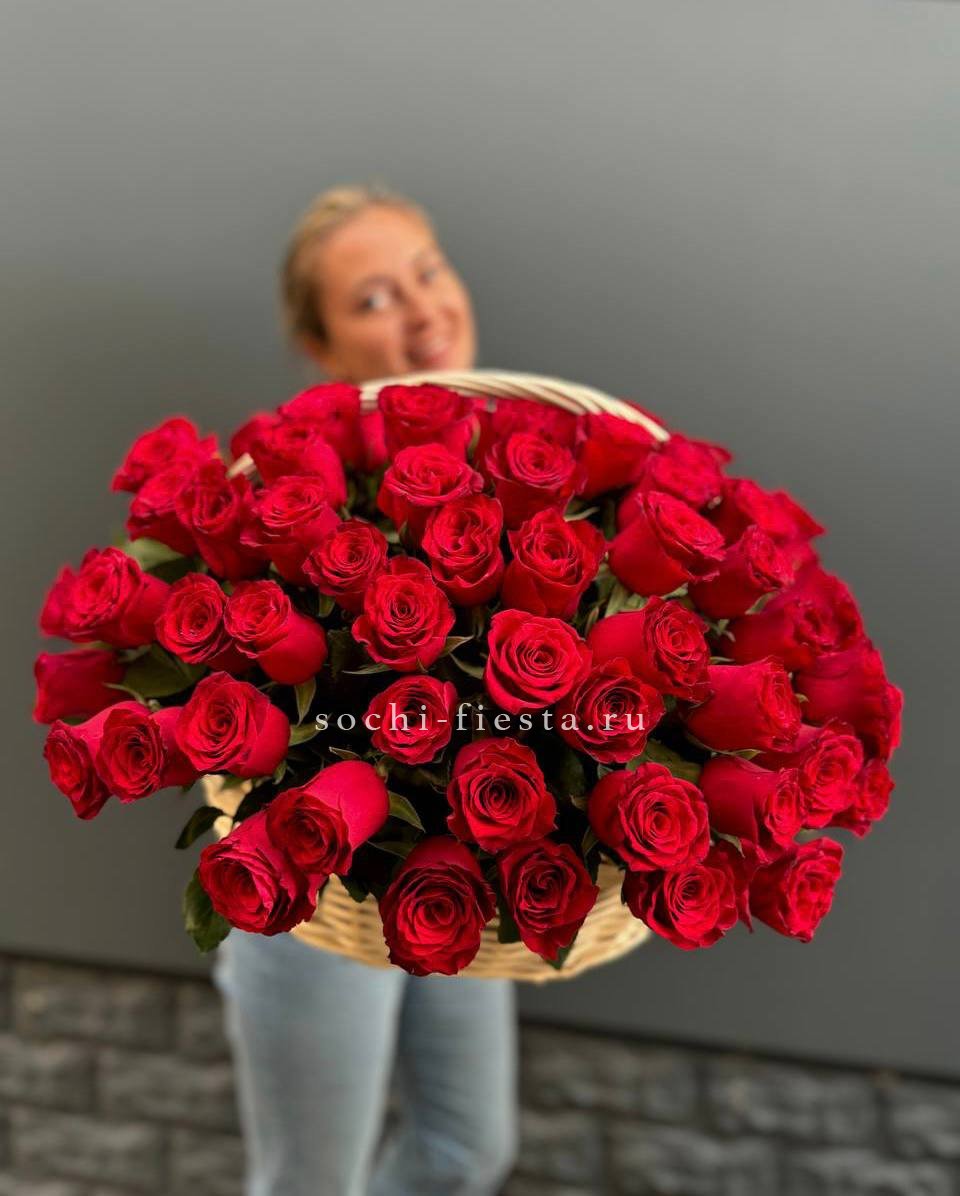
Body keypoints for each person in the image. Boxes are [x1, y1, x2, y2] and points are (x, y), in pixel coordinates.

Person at [211, 184, 519, 1196]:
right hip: (316, 882)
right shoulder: (297, 501)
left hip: (452, 866)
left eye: (428, 271)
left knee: (467, 1149)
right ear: (322, 347)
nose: (424, 310)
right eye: (375, 299)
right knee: (310, 1184)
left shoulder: (516, 464)